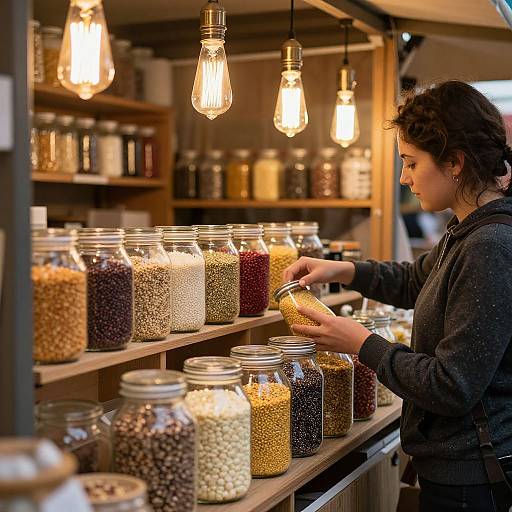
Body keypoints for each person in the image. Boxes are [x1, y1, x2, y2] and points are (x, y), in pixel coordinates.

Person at [283, 80, 512, 512]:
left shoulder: (490, 247)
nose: (404, 178)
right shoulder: (467, 231)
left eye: (410, 162)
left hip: (475, 480)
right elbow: (413, 280)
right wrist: (343, 270)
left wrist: (362, 344)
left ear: (455, 163)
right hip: (457, 468)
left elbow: (452, 386)